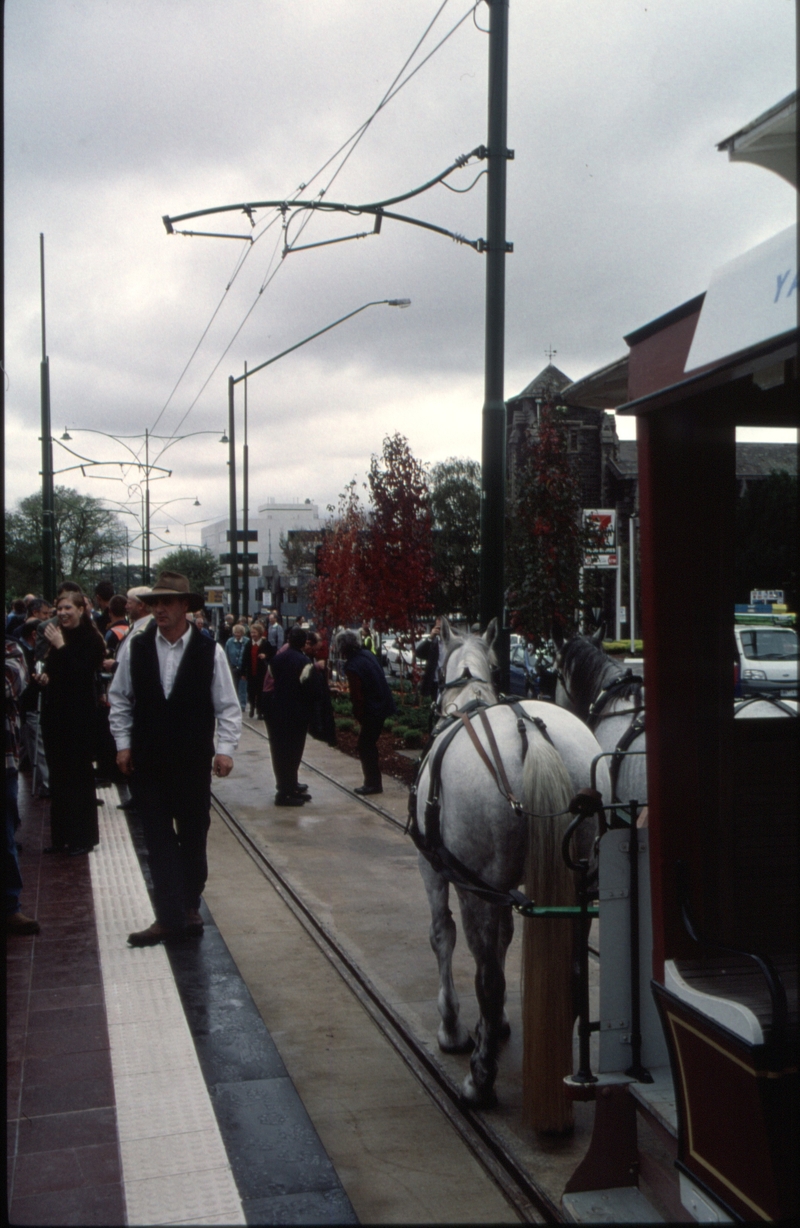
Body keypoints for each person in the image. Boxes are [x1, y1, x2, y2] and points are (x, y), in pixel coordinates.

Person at [109, 571, 241, 946]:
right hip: (148, 762)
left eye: (167, 602)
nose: (159, 609)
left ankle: (188, 904)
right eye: (154, 603)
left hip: (191, 763)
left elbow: (228, 706)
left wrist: (225, 750)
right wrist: (123, 743)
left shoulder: (208, 650)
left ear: (186, 606)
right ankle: (169, 916)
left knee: (194, 836)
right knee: (157, 839)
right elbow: (119, 698)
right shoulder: (137, 647)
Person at [39, 590, 106, 855]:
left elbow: (81, 673)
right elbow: (57, 671)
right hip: (56, 716)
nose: (63, 613)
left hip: (79, 718)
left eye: (68, 608)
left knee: (79, 776)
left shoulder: (90, 638)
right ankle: (62, 837)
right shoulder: (58, 635)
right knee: (59, 777)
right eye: (59, 609)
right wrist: (45, 678)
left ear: (81, 609)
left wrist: (61, 646)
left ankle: (83, 837)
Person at [6, 636, 40, 934]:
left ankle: (9, 907)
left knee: (5, 834)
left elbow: (11, 684)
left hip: (4, 762)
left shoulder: (11, 650)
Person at [339, 630, 396, 795]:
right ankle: (373, 782)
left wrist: (360, 715)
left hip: (372, 708)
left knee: (365, 746)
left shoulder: (352, 665)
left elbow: (357, 696)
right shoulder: (366, 654)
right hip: (384, 703)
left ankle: (372, 784)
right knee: (368, 744)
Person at [263, 626, 312, 806]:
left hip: (277, 711)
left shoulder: (276, 659)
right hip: (296, 713)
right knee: (294, 752)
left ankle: (286, 787)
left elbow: (269, 683)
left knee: (279, 752)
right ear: (303, 642)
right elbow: (309, 688)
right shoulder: (304, 662)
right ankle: (286, 792)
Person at [244, 621, 269, 718]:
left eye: (254, 632)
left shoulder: (265, 643)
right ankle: (252, 708)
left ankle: (260, 711)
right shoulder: (248, 644)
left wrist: (265, 656)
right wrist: (243, 672)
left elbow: (272, 655)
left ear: (259, 633)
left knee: (260, 692)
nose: (253, 635)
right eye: (251, 633)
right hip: (251, 672)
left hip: (261, 673)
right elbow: (245, 658)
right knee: (251, 691)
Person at [416, 617, 445, 700]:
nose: (440, 630)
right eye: (437, 627)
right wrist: (430, 637)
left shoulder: (452, 643)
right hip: (436, 682)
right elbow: (418, 653)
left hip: (450, 681)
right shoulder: (433, 643)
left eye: (442, 628)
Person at [225, 622, 249, 711]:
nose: (237, 634)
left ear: (242, 633)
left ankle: (242, 705)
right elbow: (226, 654)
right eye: (235, 632)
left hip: (243, 668)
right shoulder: (229, 642)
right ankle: (233, 705)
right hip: (233, 668)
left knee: (243, 688)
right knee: (232, 687)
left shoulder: (247, 641)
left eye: (239, 632)